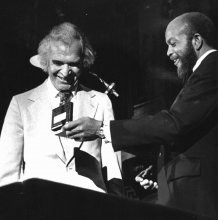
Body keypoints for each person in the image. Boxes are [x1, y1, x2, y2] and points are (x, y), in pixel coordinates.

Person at [60, 12, 218, 218]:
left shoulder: (212, 67)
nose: (168, 52)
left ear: (196, 40)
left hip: (200, 196)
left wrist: (101, 128)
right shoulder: (202, 73)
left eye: (173, 43)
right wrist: (160, 168)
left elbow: (175, 124)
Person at [0, 22, 123, 195]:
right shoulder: (20, 104)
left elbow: (112, 166)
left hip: (92, 207)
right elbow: (7, 175)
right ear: (45, 61)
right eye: (58, 62)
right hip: (40, 207)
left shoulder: (102, 102)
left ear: (84, 62)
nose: (65, 72)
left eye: (73, 64)